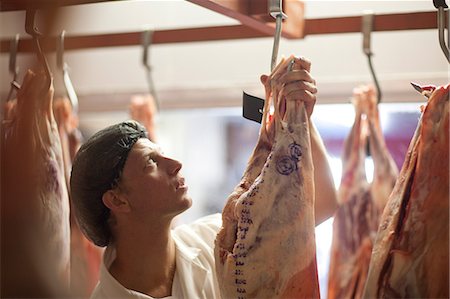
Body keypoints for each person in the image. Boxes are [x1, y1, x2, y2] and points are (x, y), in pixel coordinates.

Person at [70, 56, 337, 298]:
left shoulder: (214, 240)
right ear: (117, 200)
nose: (175, 164)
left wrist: (299, 118)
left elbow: (320, 206)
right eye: (151, 163)